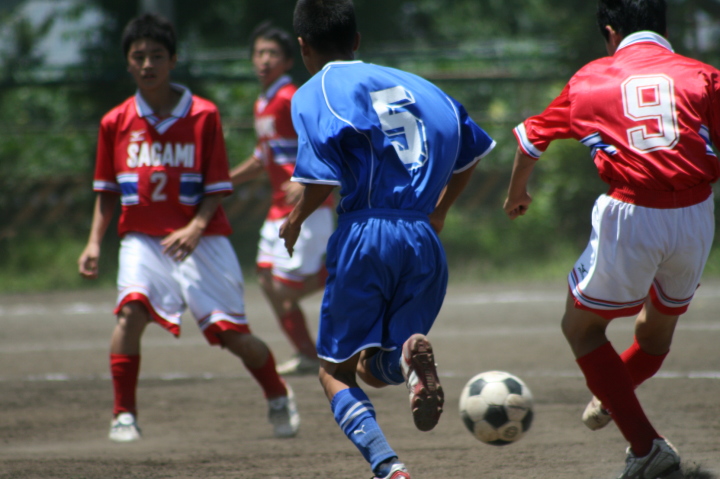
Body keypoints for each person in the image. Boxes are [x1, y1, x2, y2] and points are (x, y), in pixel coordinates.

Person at [280, 1, 496, 477]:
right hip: (423, 239)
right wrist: (438, 212)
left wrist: (295, 219)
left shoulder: (316, 91)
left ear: (303, 46)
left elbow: (320, 177)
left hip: (366, 234)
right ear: (356, 40)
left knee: (333, 370)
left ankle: (389, 467)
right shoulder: (422, 88)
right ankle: (405, 363)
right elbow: (472, 152)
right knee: (372, 368)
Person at [504, 0, 719, 477]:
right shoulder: (704, 76)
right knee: (654, 334)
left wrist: (517, 194)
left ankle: (645, 445)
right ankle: (615, 394)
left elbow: (529, 138)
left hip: (633, 213)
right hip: (697, 212)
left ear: (610, 32)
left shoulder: (591, 78)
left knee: (580, 328)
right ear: (664, 28)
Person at [77, 13, 299, 443]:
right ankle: (123, 414)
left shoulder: (203, 115)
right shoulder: (114, 122)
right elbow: (106, 191)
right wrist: (93, 243)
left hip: (202, 241)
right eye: (138, 56)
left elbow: (216, 186)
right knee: (130, 313)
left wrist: (196, 227)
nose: (147, 64)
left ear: (173, 59)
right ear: (127, 62)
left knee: (232, 336)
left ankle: (277, 393)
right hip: (143, 239)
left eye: (157, 55)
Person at [230, 22, 334, 376]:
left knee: (285, 290)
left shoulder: (291, 96)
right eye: (259, 52)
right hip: (279, 207)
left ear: (289, 60)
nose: (264, 59)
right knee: (264, 277)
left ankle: (351, 272)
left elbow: (326, 140)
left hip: (307, 205)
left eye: (272, 53)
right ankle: (307, 354)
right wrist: (222, 181)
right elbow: (263, 157)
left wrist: (307, 181)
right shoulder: (263, 102)